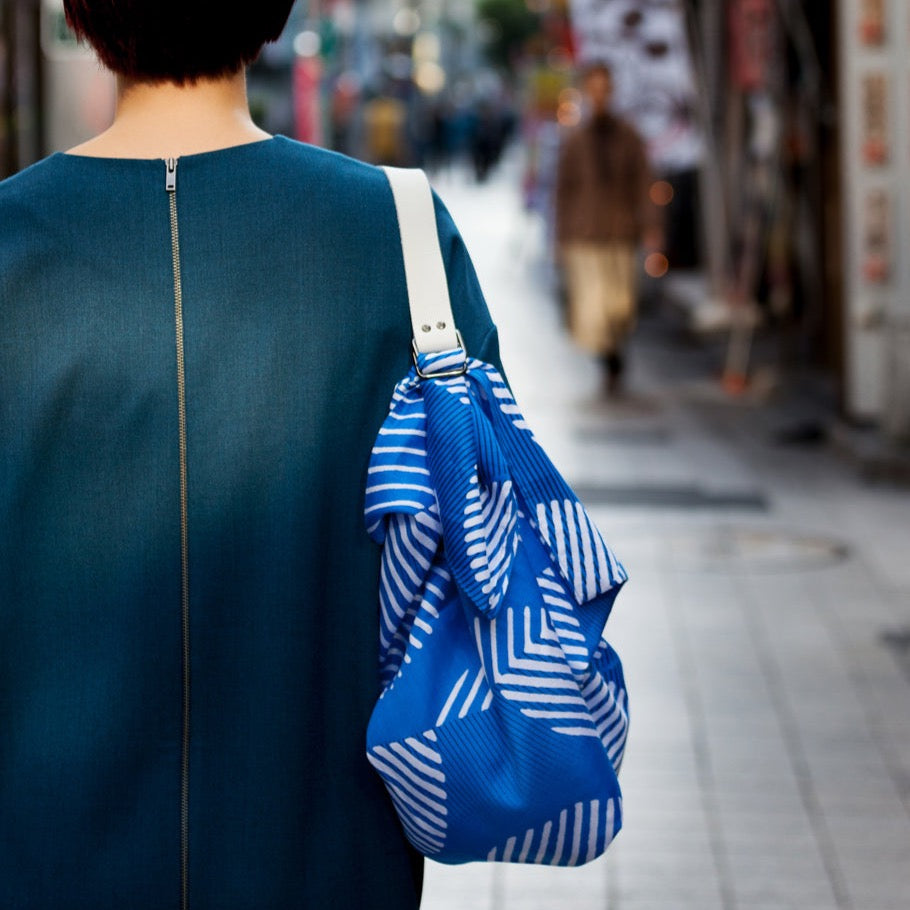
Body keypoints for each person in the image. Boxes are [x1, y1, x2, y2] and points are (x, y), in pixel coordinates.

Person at [0, 3, 502, 908]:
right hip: (331, 841)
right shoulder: (400, 232)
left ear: (82, 13)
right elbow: (480, 538)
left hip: (39, 845)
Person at [555, 61, 662, 394]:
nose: (599, 96)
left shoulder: (628, 137)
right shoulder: (575, 141)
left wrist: (652, 228)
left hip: (620, 233)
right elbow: (564, 191)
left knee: (620, 307)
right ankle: (608, 361)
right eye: (594, 89)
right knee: (594, 311)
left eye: (604, 89)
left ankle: (614, 352)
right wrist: (559, 238)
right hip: (584, 235)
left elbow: (645, 184)